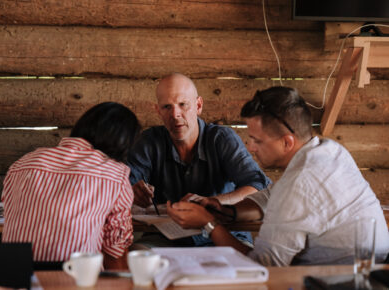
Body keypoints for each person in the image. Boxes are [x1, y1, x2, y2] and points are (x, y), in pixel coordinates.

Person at [167, 86, 389, 266]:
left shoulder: (301, 183)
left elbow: (264, 265)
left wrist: (209, 224)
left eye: (258, 140)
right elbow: (272, 195)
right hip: (371, 272)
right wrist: (224, 209)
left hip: (343, 283)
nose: (251, 147)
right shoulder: (328, 151)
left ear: (287, 142)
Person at [127, 73, 270, 246]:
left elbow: (258, 186)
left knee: (243, 266)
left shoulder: (221, 139)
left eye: (183, 104)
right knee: (138, 256)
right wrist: (132, 192)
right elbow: (122, 187)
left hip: (223, 234)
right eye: (167, 107)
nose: (175, 114)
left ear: (198, 105)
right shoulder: (149, 141)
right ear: (158, 111)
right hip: (167, 238)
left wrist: (214, 202)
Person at [2, 102, 141, 269]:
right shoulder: (115, 175)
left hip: (14, 277)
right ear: (123, 142)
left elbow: (9, 212)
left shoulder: (22, 164)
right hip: (75, 279)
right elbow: (114, 251)